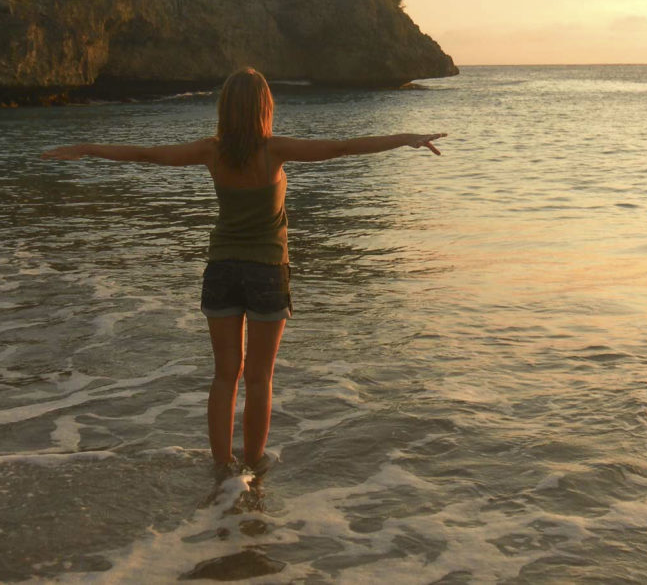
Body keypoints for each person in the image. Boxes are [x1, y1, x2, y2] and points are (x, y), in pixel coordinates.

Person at [41, 68, 445, 476]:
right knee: (259, 378)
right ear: (265, 107)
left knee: (224, 376)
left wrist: (86, 147)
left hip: (222, 271)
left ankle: (221, 469)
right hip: (267, 272)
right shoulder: (274, 150)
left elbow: (147, 155)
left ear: (225, 109)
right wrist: (404, 139)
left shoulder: (211, 151)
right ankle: (254, 469)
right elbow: (341, 148)